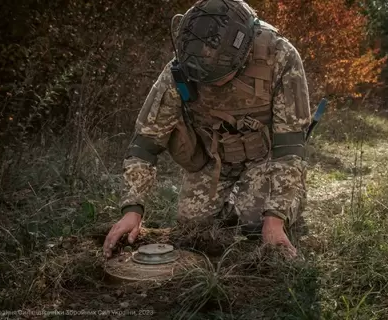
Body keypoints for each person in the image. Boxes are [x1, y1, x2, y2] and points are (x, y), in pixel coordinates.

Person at [103, 0, 310, 259]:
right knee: (192, 226)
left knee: (256, 225)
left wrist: (275, 217)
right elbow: (146, 142)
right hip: (215, 162)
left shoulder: (279, 56)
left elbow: (289, 147)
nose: (210, 85)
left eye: (216, 73)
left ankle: (282, 204)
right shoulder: (182, 70)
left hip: (265, 158)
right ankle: (235, 205)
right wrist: (132, 210)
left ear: (242, 50)